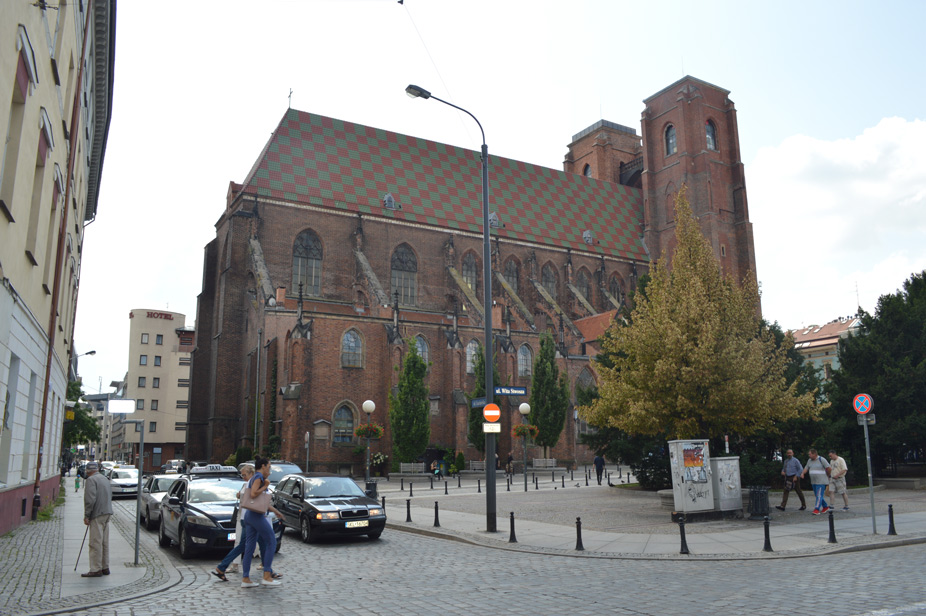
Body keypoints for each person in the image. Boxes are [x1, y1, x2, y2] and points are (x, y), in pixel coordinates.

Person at [213, 464, 283, 581]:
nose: (243, 477)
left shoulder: (248, 483)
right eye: (242, 475)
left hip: (249, 518)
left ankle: (266, 571)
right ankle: (225, 567)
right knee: (255, 544)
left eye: (244, 475)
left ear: (251, 473)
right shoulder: (252, 482)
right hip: (252, 518)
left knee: (260, 544)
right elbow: (256, 498)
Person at [241, 457, 280, 587]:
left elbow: (258, 500)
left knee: (249, 547)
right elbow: (253, 494)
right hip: (256, 516)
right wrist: (265, 486)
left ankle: (245, 578)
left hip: (249, 515)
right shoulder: (258, 477)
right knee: (271, 541)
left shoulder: (254, 477)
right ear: (263, 466)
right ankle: (267, 576)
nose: (269, 469)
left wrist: (277, 512)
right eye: (269, 466)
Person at [82, 462, 113, 577]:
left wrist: (87, 515)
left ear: (88, 471)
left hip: (97, 514)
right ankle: (105, 566)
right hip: (107, 512)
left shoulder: (91, 480)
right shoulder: (104, 479)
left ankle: (96, 568)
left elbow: (90, 500)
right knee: (104, 542)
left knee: (95, 542)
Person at [801, 449, 831, 515]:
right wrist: (803, 473)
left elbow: (828, 468)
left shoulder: (821, 459)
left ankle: (816, 509)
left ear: (814, 454)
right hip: (814, 481)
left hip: (821, 481)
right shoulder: (809, 461)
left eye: (810, 454)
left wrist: (828, 475)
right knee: (817, 495)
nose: (809, 455)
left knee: (819, 495)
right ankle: (825, 506)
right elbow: (806, 467)